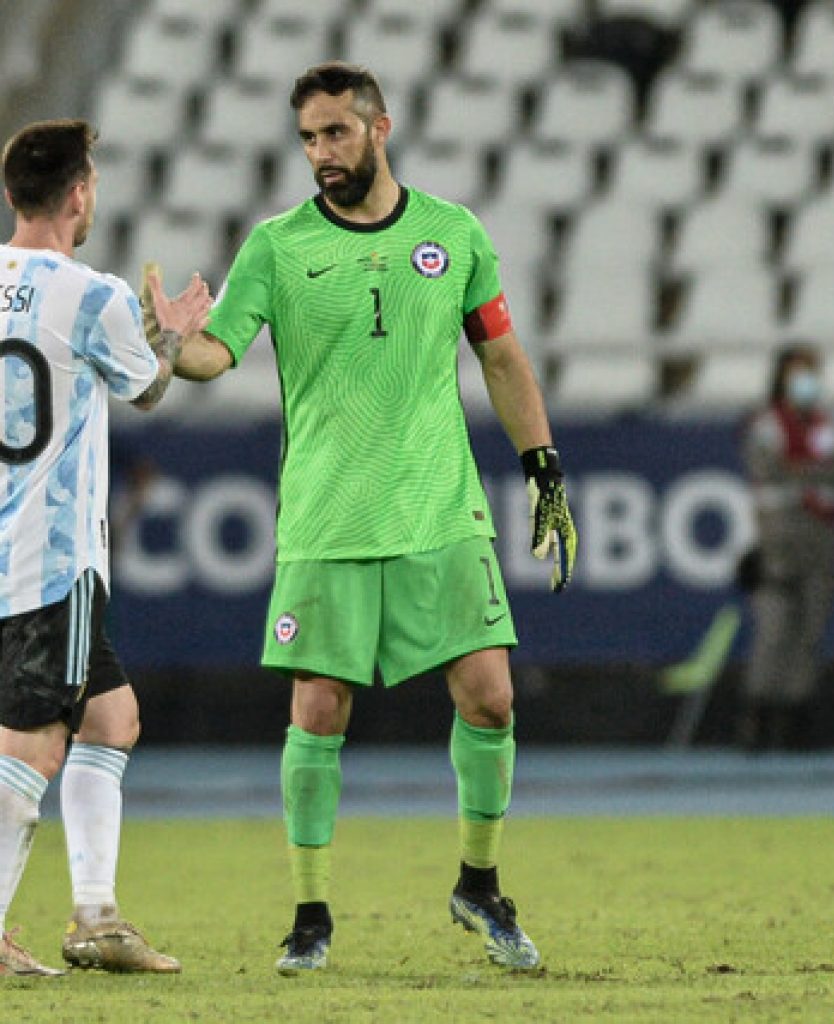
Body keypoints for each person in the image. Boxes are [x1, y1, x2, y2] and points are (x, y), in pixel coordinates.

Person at [172, 62, 577, 975]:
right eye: (308, 138)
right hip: (328, 518)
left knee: (492, 695)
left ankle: (478, 883)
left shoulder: (453, 233)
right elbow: (216, 354)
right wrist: (171, 341)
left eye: (335, 134)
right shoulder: (277, 246)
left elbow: (504, 362)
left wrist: (543, 467)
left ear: (379, 128)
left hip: (441, 508)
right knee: (317, 712)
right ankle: (310, 913)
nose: (320, 153)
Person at [0, 119, 212, 975]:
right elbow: (150, 388)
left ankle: (95, 917)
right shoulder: (91, 292)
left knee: (109, 716)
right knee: (33, 744)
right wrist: (165, 331)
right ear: (79, 193)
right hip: (51, 558)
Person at [737, 343, 834, 750]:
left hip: (822, 539)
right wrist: (818, 473)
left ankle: (795, 719)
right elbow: (764, 468)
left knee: (810, 630)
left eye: (811, 372)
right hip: (778, 539)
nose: (805, 382)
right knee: (773, 629)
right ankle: (758, 717)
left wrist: (798, 470)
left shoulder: (830, 425)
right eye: (797, 373)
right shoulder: (766, 424)